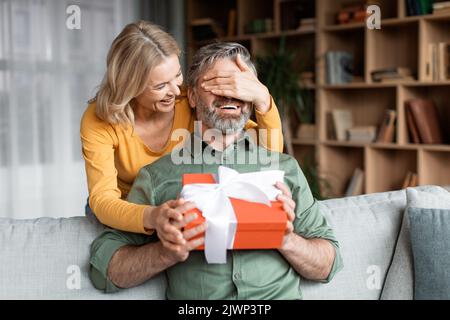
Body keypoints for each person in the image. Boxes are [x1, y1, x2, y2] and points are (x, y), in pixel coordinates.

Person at [89, 42, 343, 300]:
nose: (229, 95)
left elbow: (329, 264)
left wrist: (286, 239)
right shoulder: (157, 176)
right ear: (191, 96)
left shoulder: (283, 168)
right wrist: (165, 252)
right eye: (216, 85)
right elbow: (106, 271)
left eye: (239, 86)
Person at [80, 21, 284, 245]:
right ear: (130, 86)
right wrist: (153, 216)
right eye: (160, 86)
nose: (176, 92)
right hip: (130, 210)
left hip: (178, 202)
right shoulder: (100, 118)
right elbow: (103, 200)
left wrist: (263, 100)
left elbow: (267, 155)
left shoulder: (190, 100)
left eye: (177, 76)